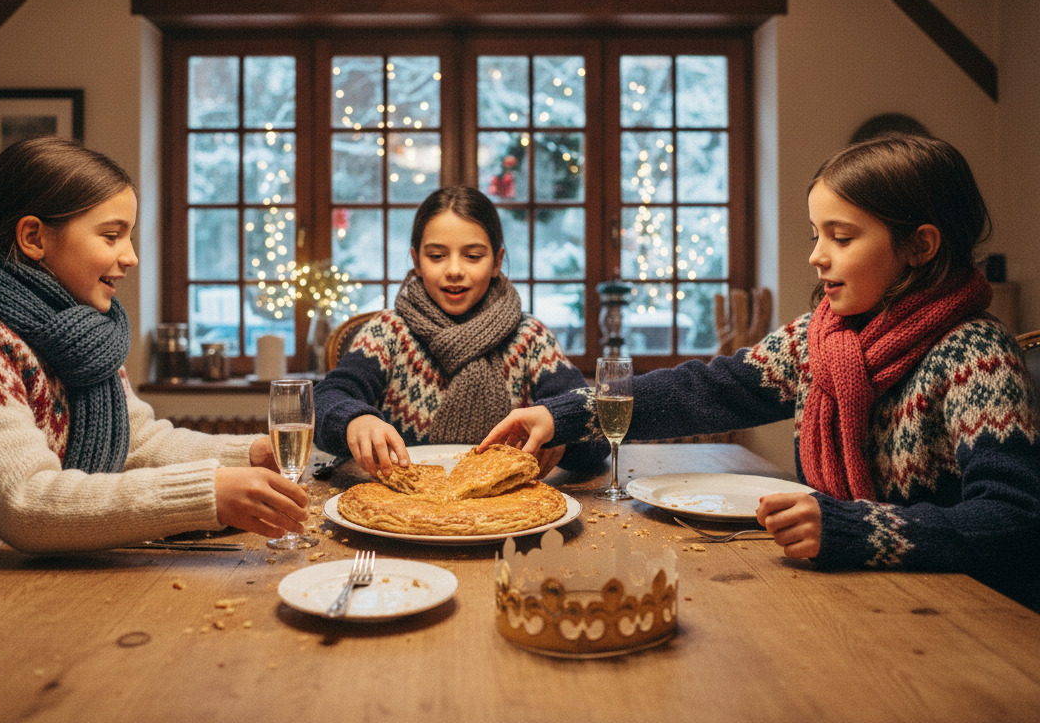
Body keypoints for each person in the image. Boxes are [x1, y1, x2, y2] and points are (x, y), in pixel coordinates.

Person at [481, 135, 1040, 608]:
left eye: (842, 237)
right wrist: (563, 415)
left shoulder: (975, 354)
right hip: (852, 592)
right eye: (816, 235)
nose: (817, 256)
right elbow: (708, 389)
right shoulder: (823, 339)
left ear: (920, 246)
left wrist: (854, 529)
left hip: (960, 611)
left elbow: (1012, 521)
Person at [0, 136, 308, 624]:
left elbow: (138, 442)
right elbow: (26, 503)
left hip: (30, 597)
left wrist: (250, 454)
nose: (131, 257)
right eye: (112, 236)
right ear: (34, 237)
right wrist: (207, 493)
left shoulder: (81, 337)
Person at [314, 185, 606, 478]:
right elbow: (326, 398)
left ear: (497, 262)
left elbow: (599, 430)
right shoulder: (387, 333)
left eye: (473, 256)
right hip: (402, 500)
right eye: (436, 256)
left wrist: (562, 433)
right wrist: (354, 420)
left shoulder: (531, 338)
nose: (454, 270)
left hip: (510, 502)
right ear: (416, 261)